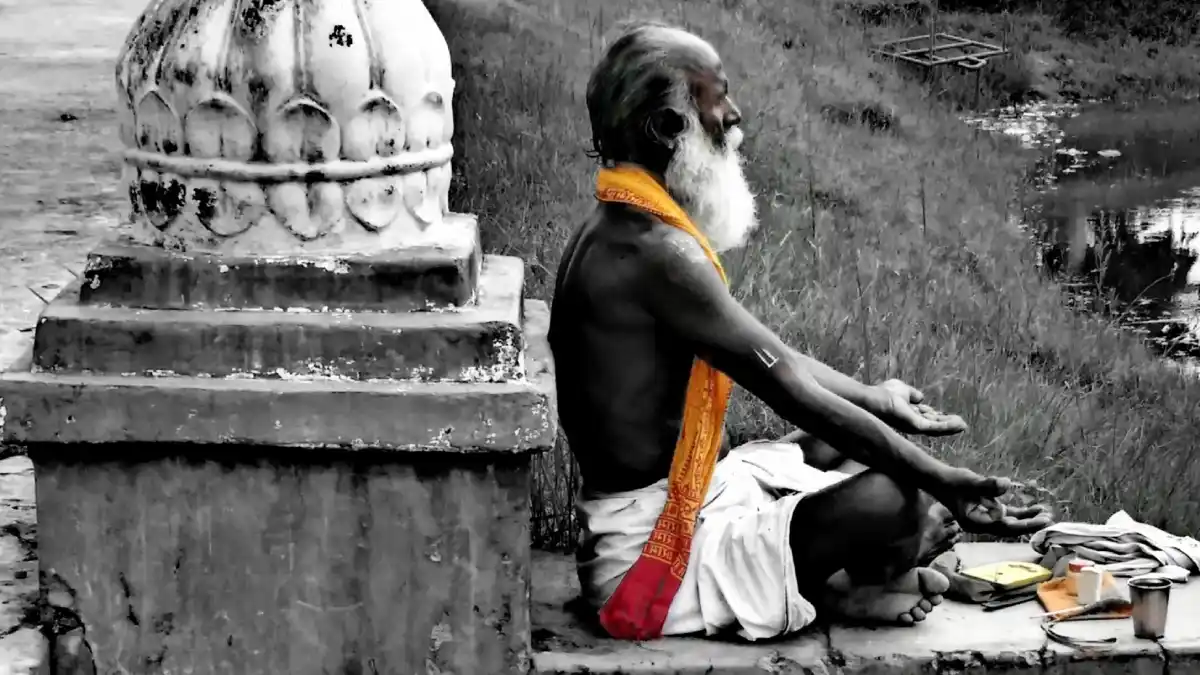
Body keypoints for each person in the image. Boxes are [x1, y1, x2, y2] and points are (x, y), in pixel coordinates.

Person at [547, 20, 1053, 642]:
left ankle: (855, 572)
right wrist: (943, 484)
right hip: (652, 558)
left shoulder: (625, 226)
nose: (734, 117)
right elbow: (789, 387)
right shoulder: (653, 254)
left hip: (699, 493)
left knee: (859, 437)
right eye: (717, 100)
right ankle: (862, 576)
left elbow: (768, 353)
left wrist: (875, 399)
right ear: (667, 128)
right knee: (891, 496)